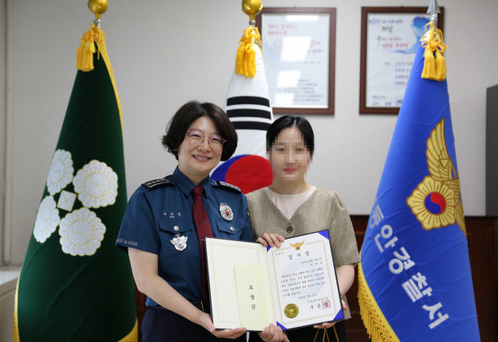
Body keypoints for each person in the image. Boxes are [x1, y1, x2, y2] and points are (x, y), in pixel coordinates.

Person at [116, 101, 286, 342]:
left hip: (229, 328)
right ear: (177, 142)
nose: (205, 146)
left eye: (216, 139)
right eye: (196, 135)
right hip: (171, 326)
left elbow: (247, 269)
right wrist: (200, 318)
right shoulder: (148, 198)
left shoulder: (235, 199)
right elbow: (146, 280)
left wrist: (265, 248)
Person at [246, 115, 360, 342]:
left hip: (323, 323)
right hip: (269, 326)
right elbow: (246, 268)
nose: (290, 158)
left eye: (299, 149)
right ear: (268, 153)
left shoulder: (330, 201)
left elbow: (346, 264)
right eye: (280, 149)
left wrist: (331, 297)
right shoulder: (249, 203)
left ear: (310, 155)